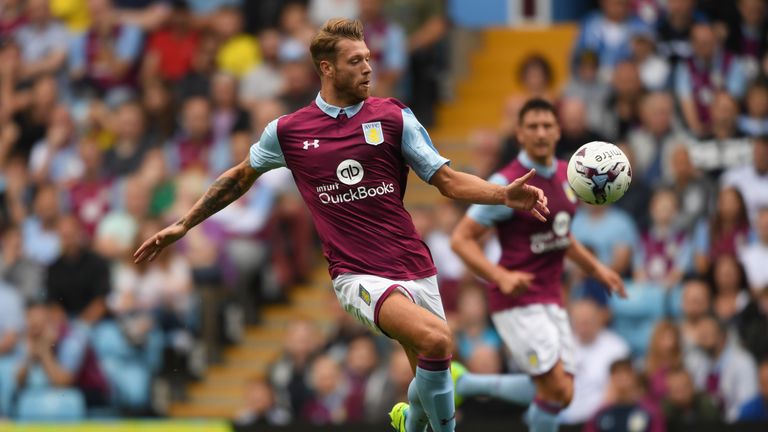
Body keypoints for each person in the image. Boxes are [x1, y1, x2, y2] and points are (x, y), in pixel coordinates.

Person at [134, 19, 549, 432]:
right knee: (439, 340)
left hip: (415, 266)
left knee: (428, 372)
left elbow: (447, 180)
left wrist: (502, 195)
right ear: (327, 68)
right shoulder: (288, 131)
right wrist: (184, 224)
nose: (368, 67)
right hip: (357, 275)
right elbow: (240, 177)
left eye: (368, 58)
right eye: (356, 61)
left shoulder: (394, 118)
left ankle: (409, 418)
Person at [450, 98, 625, 432]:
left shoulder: (568, 175)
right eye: (532, 126)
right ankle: (466, 386)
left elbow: (561, 235)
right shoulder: (507, 183)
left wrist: (598, 270)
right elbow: (461, 239)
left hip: (552, 297)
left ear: (559, 131)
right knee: (556, 388)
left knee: (565, 394)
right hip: (516, 300)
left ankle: (467, 384)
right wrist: (499, 275)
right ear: (519, 133)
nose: (541, 132)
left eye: (547, 125)